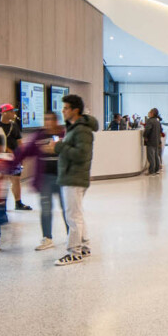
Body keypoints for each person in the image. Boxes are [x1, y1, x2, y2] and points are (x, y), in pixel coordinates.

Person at [55, 94, 97, 266]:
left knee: (72, 216)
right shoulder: (74, 128)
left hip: (75, 176)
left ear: (75, 110)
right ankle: (84, 246)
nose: (63, 111)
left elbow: (81, 154)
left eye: (65, 108)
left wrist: (59, 146)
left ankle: (74, 252)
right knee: (77, 214)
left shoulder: (82, 130)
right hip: (71, 175)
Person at [14, 110, 63, 251]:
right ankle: (47, 238)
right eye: (45, 119)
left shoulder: (63, 134)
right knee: (46, 210)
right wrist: (9, 163)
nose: (47, 122)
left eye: (50, 119)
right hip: (45, 178)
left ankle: (71, 237)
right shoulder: (39, 136)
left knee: (67, 210)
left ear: (56, 121)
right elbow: (24, 152)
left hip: (62, 178)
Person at [0, 104, 31, 212]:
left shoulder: (14, 125)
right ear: (4, 112)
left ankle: (18, 202)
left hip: (14, 157)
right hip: (2, 157)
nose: (14, 113)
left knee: (16, 179)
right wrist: (9, 151)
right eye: (11, 111)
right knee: (2, 181)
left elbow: (19, 140)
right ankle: (1, 203)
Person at [142, 108, 163, 175]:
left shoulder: (150, 121)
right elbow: (160, 130)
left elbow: (147, 130)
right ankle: (156, 169)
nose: (148, 113)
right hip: (156, 141)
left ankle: (151, 171)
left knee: (151, 156)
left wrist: (145, 136)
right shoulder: (157, 121)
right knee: (156, 156)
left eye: (149, 112)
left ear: (152, 113)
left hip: (150, 140)